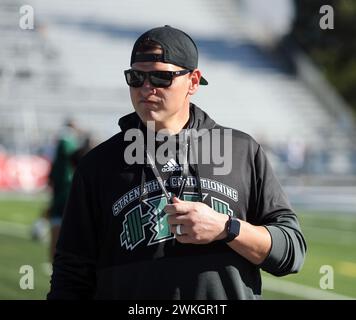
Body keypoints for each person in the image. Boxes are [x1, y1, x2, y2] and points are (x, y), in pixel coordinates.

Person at [48, 25, 306, 300]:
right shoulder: (98, 164)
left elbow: (291, 252)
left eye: (161, 77)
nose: (146, 87)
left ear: (193, 81)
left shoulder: (241, 150)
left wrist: (227, 228)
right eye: (135, 77)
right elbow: (71, 276)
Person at [46, 119, 80, 262]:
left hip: (62, 203)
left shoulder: (63, 149)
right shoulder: (68, 144)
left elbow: (51, 180)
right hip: (64, 202)